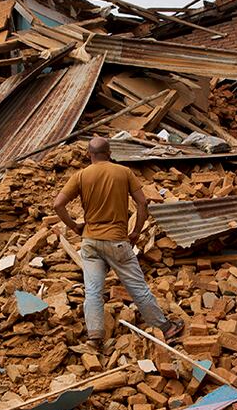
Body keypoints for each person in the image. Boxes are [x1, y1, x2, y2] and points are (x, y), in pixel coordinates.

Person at [53, 137, 183, 347]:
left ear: (89, 154)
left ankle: (95, 337)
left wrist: (74, 226)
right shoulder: (124, 172)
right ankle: (167, 329)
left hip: (90, 242)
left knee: (93, 291)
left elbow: (58, 204)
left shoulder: (81, 175)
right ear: (109, 152)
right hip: (117, 241)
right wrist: (136, 232)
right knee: (137, 288)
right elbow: (142, 203)